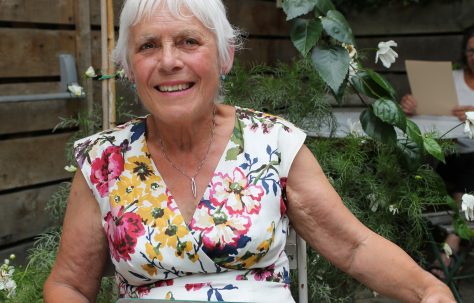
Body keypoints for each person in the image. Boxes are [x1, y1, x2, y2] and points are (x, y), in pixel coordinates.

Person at [44, 0, 455, 302]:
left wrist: (428, 290)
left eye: (189, 42)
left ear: (225, 58)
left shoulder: (271, 142)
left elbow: (354, 246)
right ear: (131, 70)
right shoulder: (103, 161)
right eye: (148, 46)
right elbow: (69, 285)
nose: (168, 61)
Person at [401, 25, 474, 279]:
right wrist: (411, 104)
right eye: (472, 50)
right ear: (465, 52)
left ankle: (451, 246)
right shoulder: (451, 81)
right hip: (453, 156)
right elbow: (428, 109)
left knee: (468, 184)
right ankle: (457, 242)